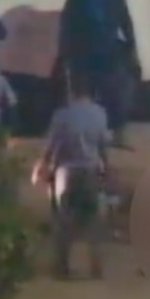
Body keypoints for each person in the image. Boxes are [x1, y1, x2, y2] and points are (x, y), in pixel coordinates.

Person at [31, 73, 110, 280]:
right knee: (94, 221)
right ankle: (96, 267)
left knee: (64, 222)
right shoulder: (100, 114)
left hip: (67, 173)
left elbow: (50, 147)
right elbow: (103, 147)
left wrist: (42, 166)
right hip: (91, 169)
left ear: (71, 91)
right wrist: (106, 170)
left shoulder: (62, 115)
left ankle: (62, 267)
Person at [58, 0, 137, 147]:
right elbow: (66, 27)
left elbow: (126, 22)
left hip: (108, 50)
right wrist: (65, 54)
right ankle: (87, 137)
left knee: (115, 95)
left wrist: (131, 46)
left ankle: (118, 135)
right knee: (84, 95)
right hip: (83, 53)